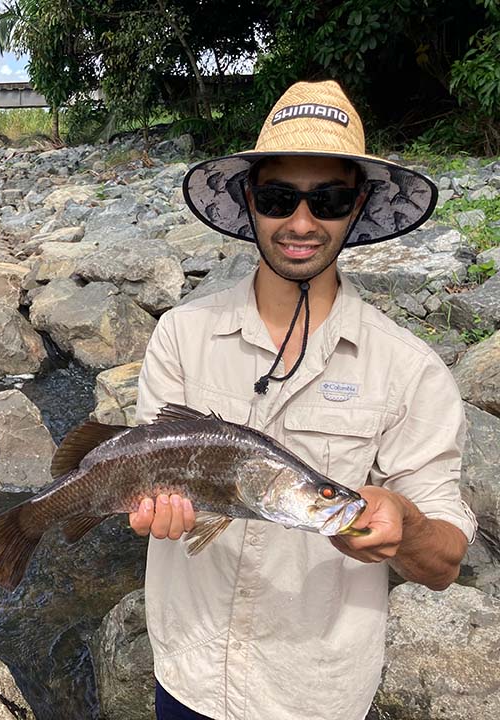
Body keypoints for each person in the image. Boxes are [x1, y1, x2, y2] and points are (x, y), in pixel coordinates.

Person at [127, 80, 478, 720]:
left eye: (330, 199)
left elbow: (447, 560)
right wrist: (154, 508)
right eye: (279, 196)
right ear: (249, 199)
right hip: (188, 674)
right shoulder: (179, 334)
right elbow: (150, 468)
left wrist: (407, 529)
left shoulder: (411, 369)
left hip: (316, 695)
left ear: (359, 205)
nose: (301, 223)